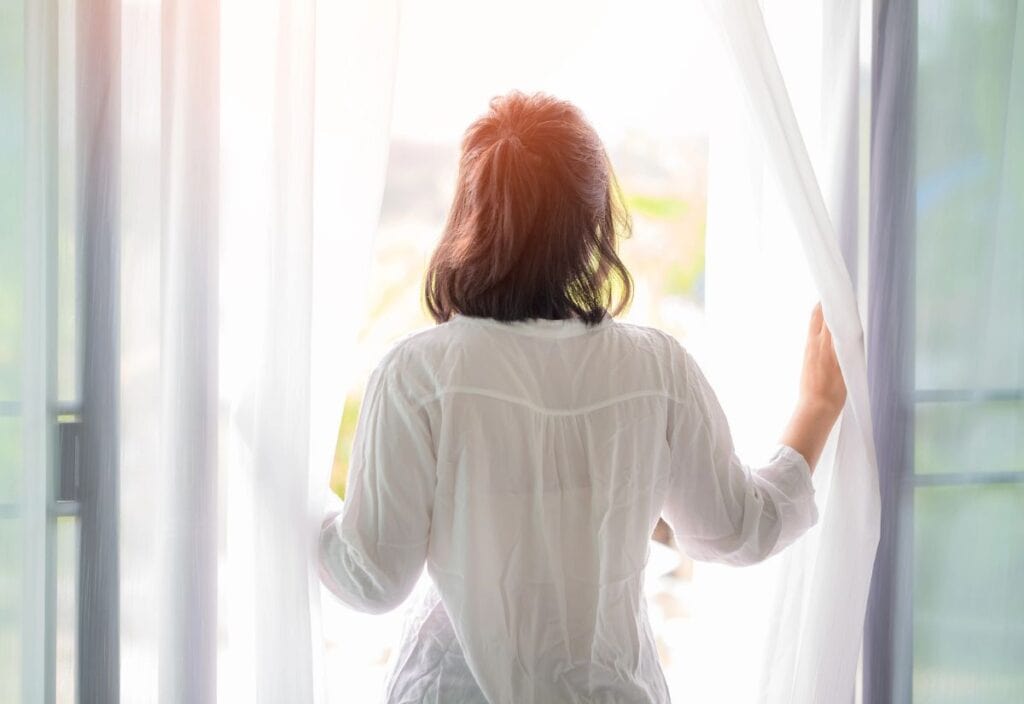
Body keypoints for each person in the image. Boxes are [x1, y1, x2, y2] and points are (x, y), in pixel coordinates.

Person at [318, 91, 846, 704]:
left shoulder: (416, 375)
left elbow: (373, 580)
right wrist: (816, 409)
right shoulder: (656, 369)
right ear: (594, 222)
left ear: (469, 214)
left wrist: (299, 501)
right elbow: (737, 528)